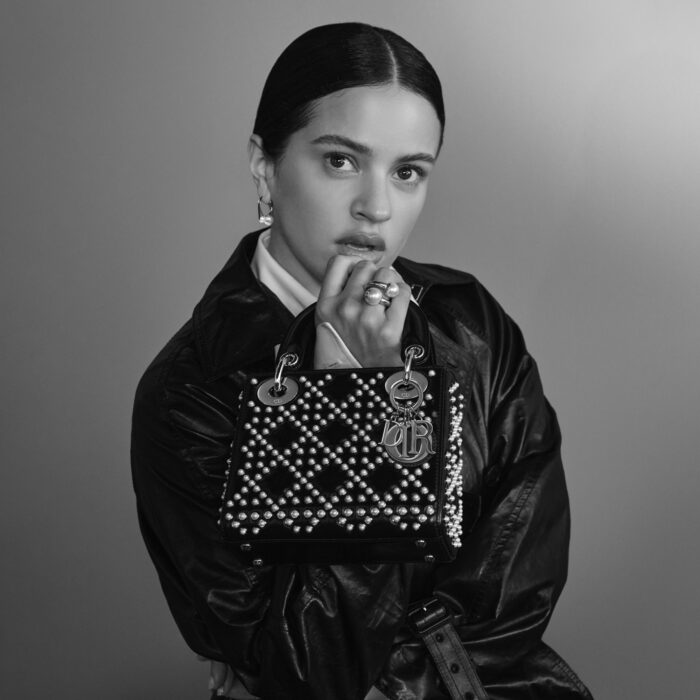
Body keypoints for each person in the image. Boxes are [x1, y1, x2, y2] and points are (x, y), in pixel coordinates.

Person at [131, 22, 593, 700]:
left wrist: (389, 676)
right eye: (341, 161)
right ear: (265, 166)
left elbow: (519, 593)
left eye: (407, 172)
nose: (376, 208)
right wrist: (355, 399)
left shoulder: (470, 324)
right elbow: (306, 668)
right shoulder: (191, 390)